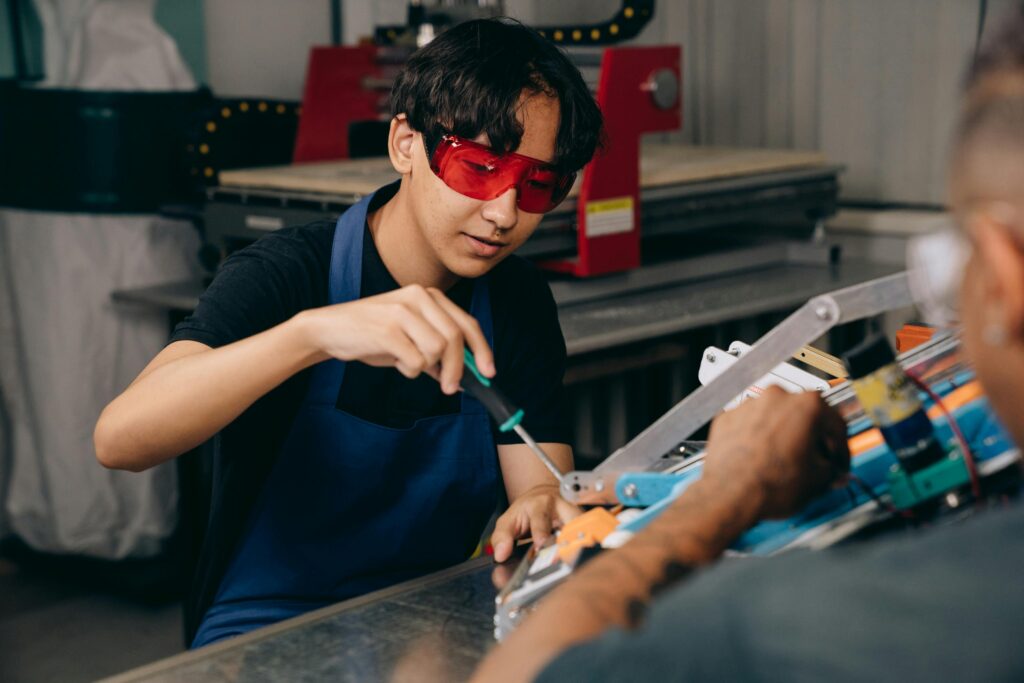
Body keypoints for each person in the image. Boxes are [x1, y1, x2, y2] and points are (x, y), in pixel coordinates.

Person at [473, 6, 1024, 682]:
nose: (503, 211)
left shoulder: (848, 618)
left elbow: (521, 671)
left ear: (1000, 275)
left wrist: (725, 492)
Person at [93, 18, 603, 647]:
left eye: (536, 185)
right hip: (271, 622)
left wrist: (538, 508)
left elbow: (538, 491)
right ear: (405, 145)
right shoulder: (287, 275)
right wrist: (311, 336)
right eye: (478, 168)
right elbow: (120, 440)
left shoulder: (517, 301)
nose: (503, 214)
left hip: (433, 612)